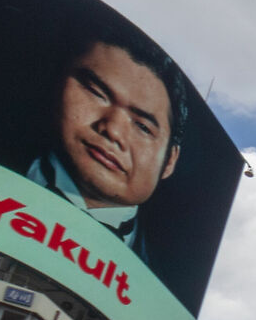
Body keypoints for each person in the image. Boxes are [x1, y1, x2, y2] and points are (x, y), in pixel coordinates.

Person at [22, 24, 190, 279]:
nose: (112, 130)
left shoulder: (169, 280)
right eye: (97, 93)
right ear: (57, 82)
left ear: (170, 161)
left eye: (143, 127)